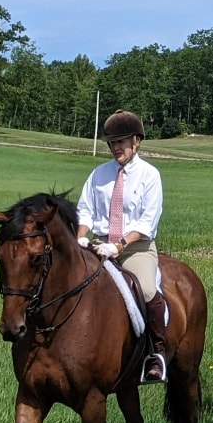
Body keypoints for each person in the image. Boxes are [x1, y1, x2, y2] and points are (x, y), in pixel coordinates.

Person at [76, 110, 169, 383]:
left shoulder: (150, 175)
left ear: (136, 142)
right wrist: (81, 236)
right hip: (100, 245)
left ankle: (157, 352)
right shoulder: (98, 174)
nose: (116, 147)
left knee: (148, 288)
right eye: (112, 143)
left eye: (122, 141)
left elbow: (147, 221)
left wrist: (118, 246)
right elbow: (85, 210)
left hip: (135, 248)